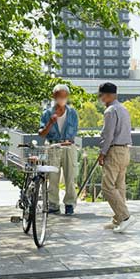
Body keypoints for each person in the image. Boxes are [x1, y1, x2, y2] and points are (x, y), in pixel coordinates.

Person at [96, 82, 134, 233]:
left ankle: (125, 217)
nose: (100, 98)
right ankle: (118, 219)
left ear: (109, 95)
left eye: (101, 95)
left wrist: (102, 153)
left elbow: (108, 135)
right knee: (119, 186)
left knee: (107, 187)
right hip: (125, 150)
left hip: (114, 151)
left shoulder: (110, 111)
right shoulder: (123, 108)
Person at [38, 83, 80, 215]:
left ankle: (69, 204)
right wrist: (50, 123)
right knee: (53, 177)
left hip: (69, 147)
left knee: (70, 176)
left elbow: (74, 131)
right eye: (59, 96)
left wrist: (69, 140)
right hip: (53, 146)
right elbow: (42, 134)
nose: (62, 98)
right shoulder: (47, 113)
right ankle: (53, 204)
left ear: (67, 96)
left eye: (64, 96)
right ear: (54, 96)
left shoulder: (72, 113)